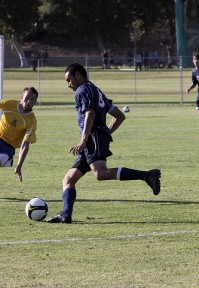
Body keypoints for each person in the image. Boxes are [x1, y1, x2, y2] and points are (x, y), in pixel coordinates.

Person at [47, 63, 161, 224]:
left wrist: (84, 139)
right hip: (93, 139)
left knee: (100, 173)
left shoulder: (82, 90)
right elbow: (119, 116)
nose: (68, 84)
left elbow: (90, 113)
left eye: (69, 79)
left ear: (78, 75)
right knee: (68, 179)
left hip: (92, 139)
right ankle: (65, 214)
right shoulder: (96, 90)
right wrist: (105, 133)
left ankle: (147, 175)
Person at [0, 87, 38, 181]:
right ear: (21, 97)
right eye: (27, 98)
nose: (29, 102)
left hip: (8, 148)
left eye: (32, 100)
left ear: (35, 102)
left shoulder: (31, 121)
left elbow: (25, 145)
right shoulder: (9, 104)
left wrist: (19, 165)